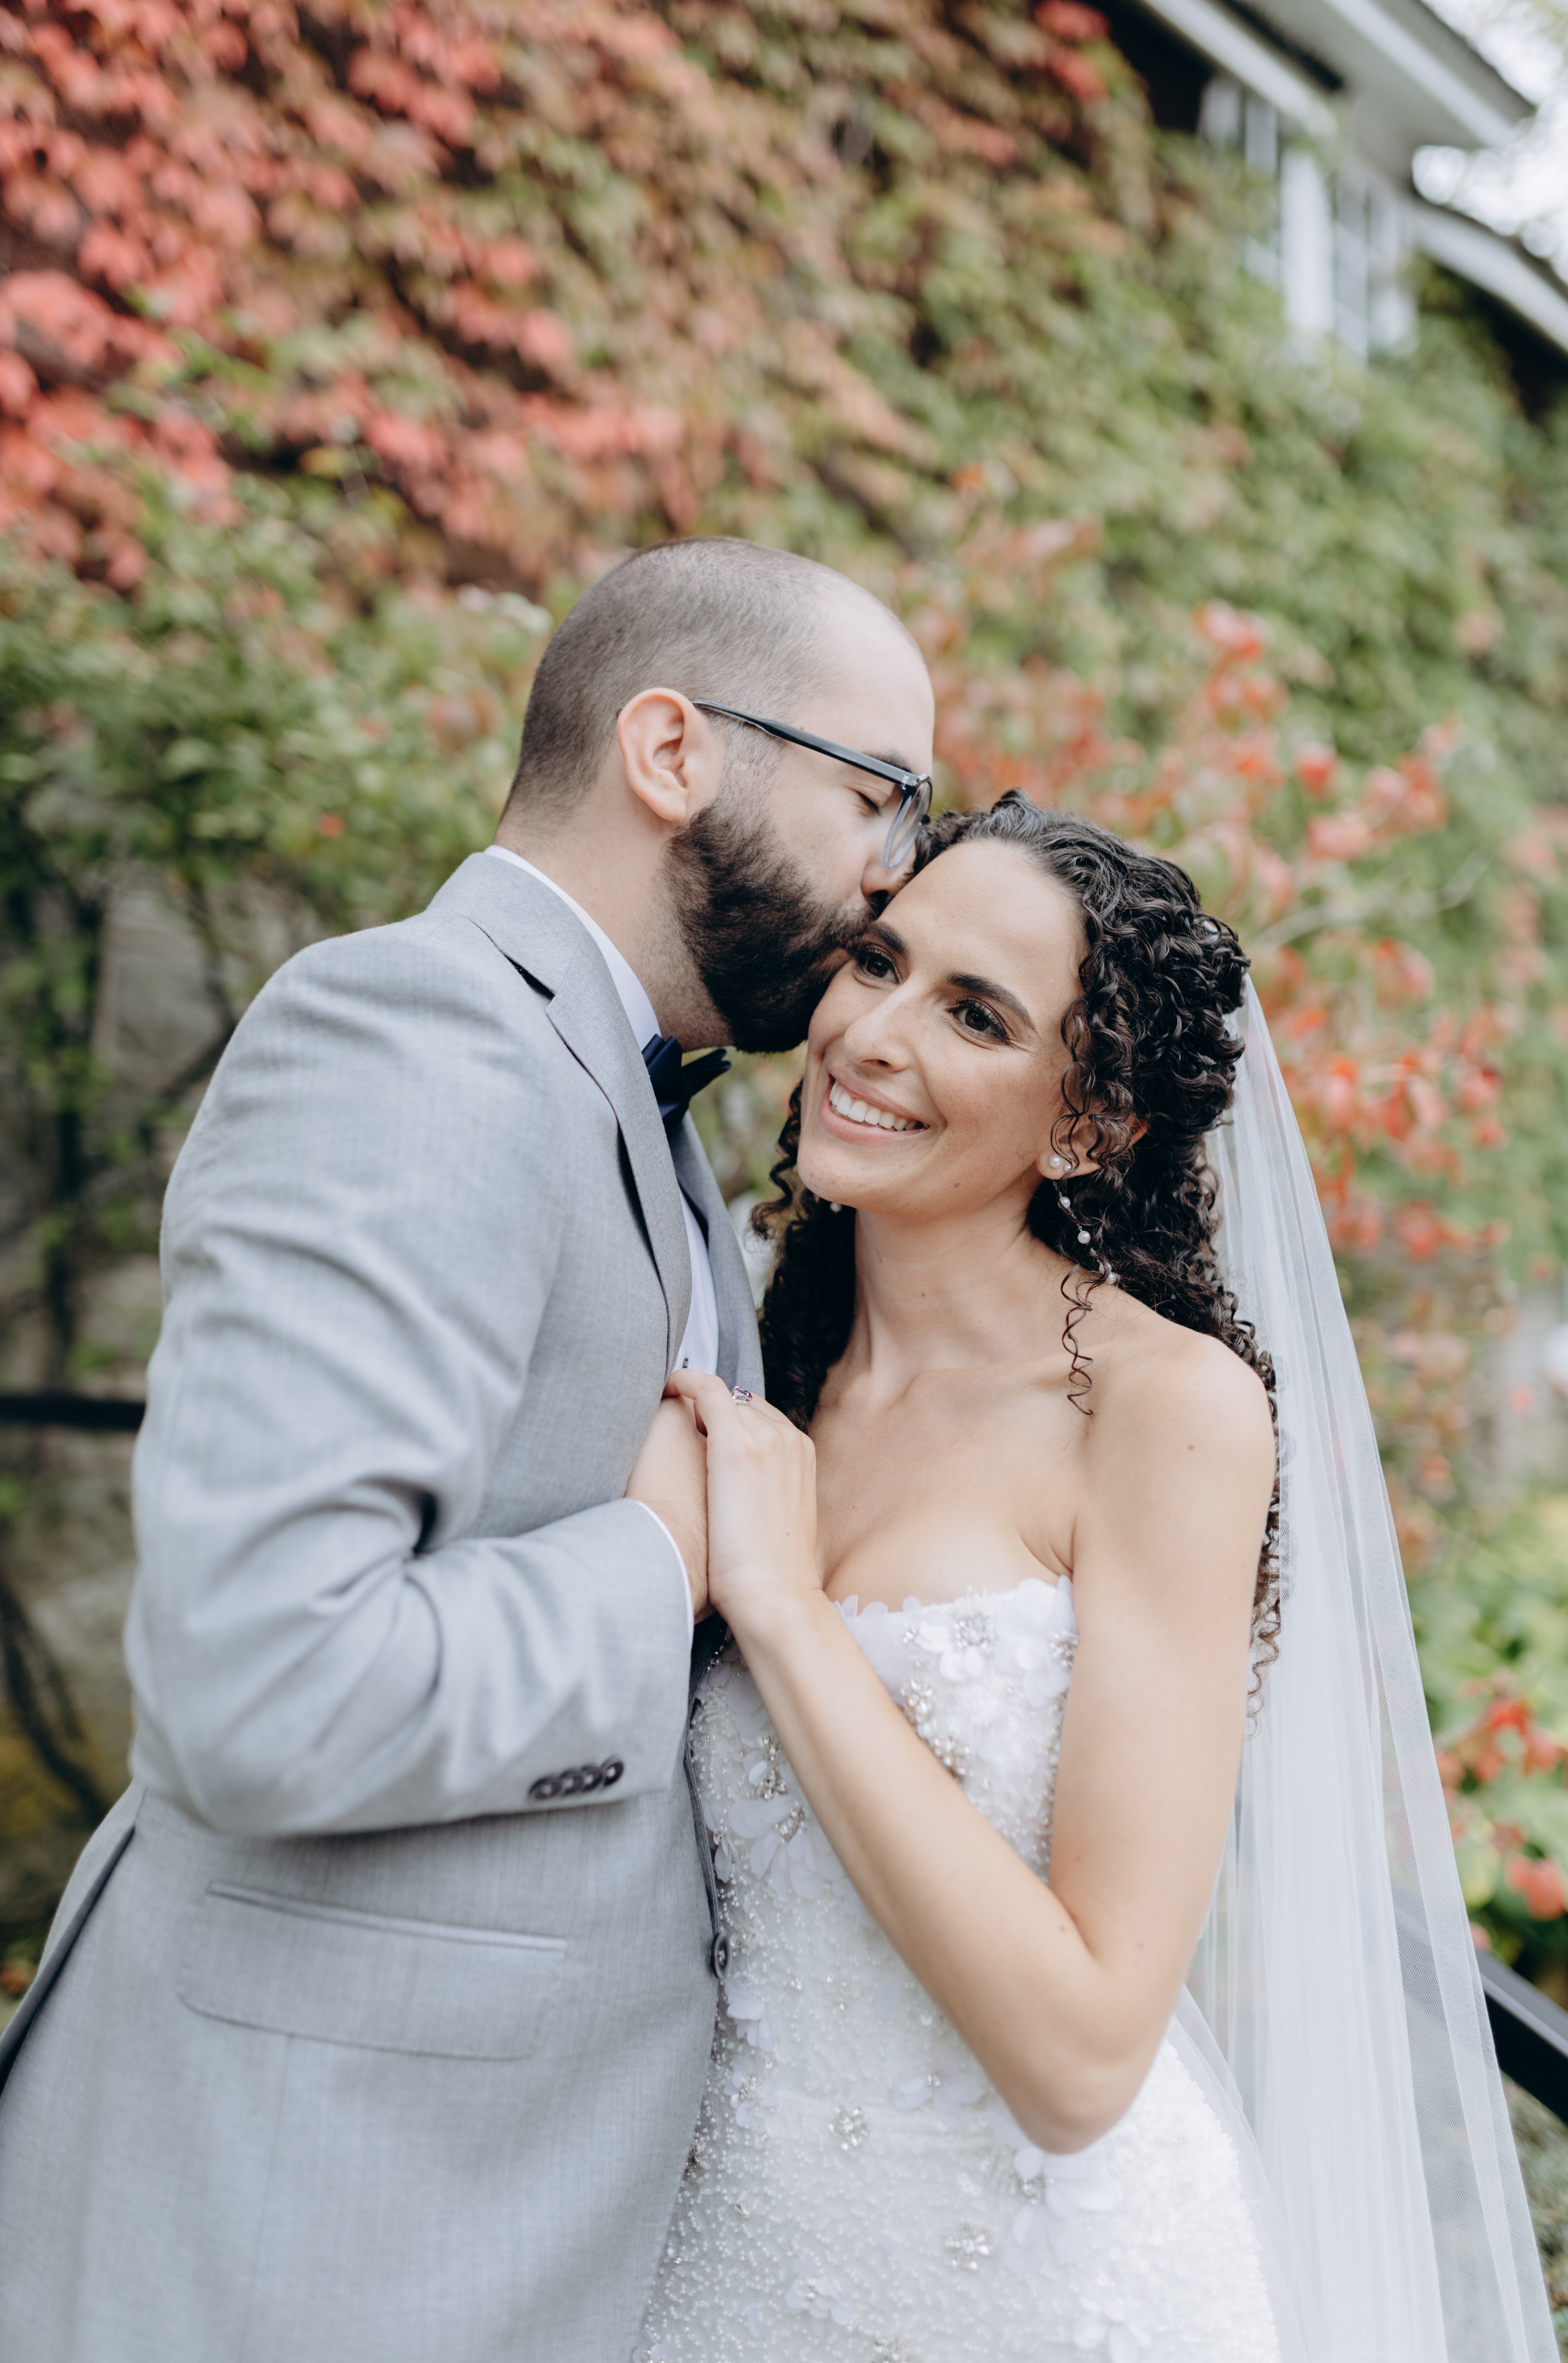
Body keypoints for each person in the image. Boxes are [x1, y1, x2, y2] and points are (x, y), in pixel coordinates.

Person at [0, 537, 936, 2363]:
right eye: (875, 792)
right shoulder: (417, 1037)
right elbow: (259, 1687)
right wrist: (661, 1559)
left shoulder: (635, 1106)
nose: (898, 862)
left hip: (468, 2209)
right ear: (671, 749)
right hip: (297, 2230)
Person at [638, 796, 1557, 2363]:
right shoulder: (748, 1356)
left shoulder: (1165, 1411)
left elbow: (1080, 2059)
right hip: (728, 2262)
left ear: (1087, 1127)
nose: (872, 1036)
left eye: (976, 1016)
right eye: (881, 962)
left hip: (1042, 2293)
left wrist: (785, 1616)